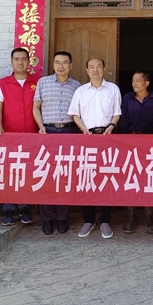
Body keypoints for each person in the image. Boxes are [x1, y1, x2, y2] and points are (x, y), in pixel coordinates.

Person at [68, 57, 122, 239]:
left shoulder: (113, 89)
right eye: (91, 67)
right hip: (87, 138)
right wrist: (83, 128)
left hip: (108, 137)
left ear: (104, 69)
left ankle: (105, 220)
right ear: (87, 70)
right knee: (88, 179)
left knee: (106, 178)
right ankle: (88, 220)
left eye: (99, 66)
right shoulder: (80, 91)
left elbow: (117, 112)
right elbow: (74, 114)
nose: (95, 69)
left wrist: (111, 126)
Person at [33, 51, 81, 235]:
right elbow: (36, 107)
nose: (61, 66)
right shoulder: (43, 82)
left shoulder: (77, 86)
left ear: (71, 65)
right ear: (53, 65)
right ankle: (46, 219)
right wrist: (41, 127)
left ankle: (62, 218)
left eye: (65, 62)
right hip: (48, 132)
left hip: (69, 132)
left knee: (64, 177)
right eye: (57, 62)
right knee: (46, 176)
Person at [0, 47, 39, 226]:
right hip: (9, 135)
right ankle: (9, 209)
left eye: (24, 59)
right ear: (11, 62)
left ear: (29, 61)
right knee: (9, 172)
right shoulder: (2, 83)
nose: (20, 62)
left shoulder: (38, 82)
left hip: (31, 135)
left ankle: (24, 207)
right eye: (17, 59)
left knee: (27, 172)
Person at [119, 71, 153, 235]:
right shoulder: (127, 98)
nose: (134, 83)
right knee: (130, 179)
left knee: (148, 180)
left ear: (146, 83)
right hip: (130, 142)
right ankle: (131, 217)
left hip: (150, 144)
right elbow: (123, 122)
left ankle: (148, 217)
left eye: (138, 80)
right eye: (133, 81)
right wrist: (124, 142)